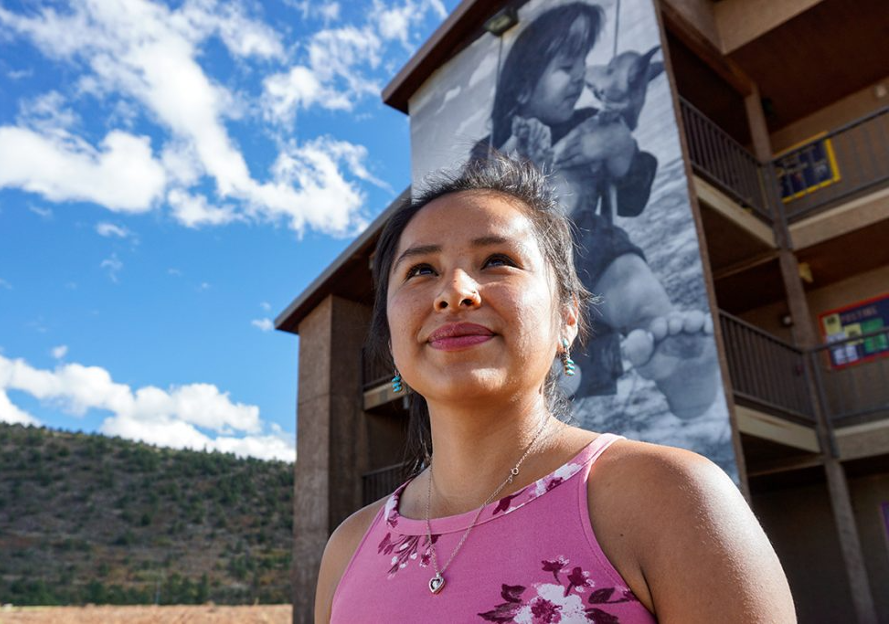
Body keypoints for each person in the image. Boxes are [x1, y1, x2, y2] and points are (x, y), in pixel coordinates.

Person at [314, 156, 795, 623]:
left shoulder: (672, 499)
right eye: (420, 270)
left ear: (568, 318)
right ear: (391, 339)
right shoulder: (347, 550)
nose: (455, 291)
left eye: (498, 260)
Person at [475, 2, 718, 419]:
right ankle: (554, 373)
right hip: (524, 264)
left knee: (634, 288)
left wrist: (622, 156)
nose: (580, 77)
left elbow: (631, 200)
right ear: (521, 88)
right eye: (566, 67)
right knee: (523, 318)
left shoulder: (594, 121)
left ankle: (677, 364)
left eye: (583, 64)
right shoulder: (490, 152)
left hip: (591, 247)